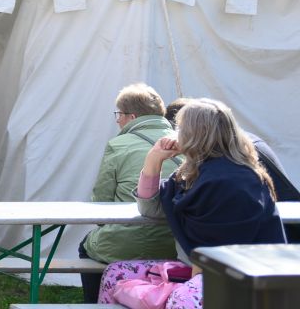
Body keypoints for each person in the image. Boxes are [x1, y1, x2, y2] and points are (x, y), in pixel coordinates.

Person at [97, 98, 285, 306]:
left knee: (183, 298)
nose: (177, 133)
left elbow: (222, 256)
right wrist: (153, 160)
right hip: (195, 271)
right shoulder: (194, 172)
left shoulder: (236, 179)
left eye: (181, 128)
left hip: (243, 278)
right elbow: (150, 209)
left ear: (197, 134)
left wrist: (175, 285)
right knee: (115, 274)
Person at [77, 84, 181, 302]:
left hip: (123, 245)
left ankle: (96, 304)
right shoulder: (185, 143)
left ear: (131, 116)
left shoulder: (119, 144)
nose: (117, 120)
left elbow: (101, 205)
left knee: (86, 247)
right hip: (175, 244)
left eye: (119, 114)